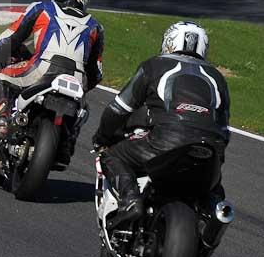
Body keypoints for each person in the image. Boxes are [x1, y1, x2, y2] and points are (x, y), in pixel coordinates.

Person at [92, 21, 230, 227]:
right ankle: (213, 223)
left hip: (165, 142)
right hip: (209, 149)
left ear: (169, 42)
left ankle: (130, 201)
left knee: (112, 155)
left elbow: (118, 109)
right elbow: (224, 128)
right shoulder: (217, 77)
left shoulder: (154, 65)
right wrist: (217, 153)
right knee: (214, 190)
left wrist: (102, 138)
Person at [0, 0, 105, 168]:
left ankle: (1, 123)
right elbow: (96, 72)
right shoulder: (96, 27)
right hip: (77, 79)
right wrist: (84, 87)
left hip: (40, 69)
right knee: (83, 108)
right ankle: (66, 142)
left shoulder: (42, 8)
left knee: (0, 77)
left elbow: (8, 40)